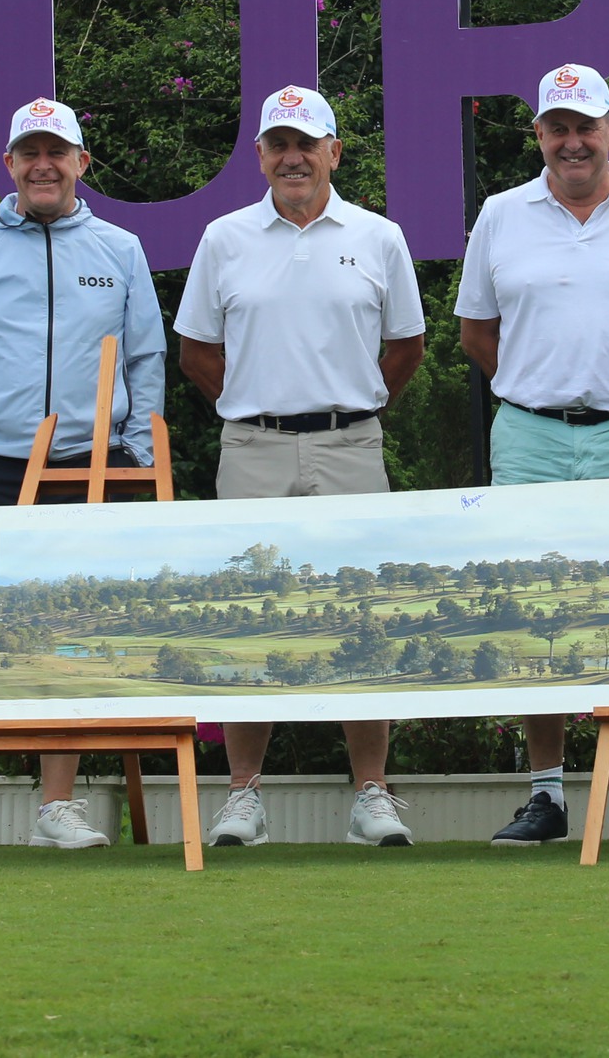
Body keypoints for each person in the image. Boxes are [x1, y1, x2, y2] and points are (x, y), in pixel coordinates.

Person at [456, 62, 609, 848]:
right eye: (556, 127)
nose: (572, 141)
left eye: (584, 126)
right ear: (539, 135)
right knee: (538, 607)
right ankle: (546, 793)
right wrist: (544, 388)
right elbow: (477, 332)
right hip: (529, 430)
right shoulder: (501, 214)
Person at [0, 98, 163, 852]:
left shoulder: (120, 247)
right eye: (29, 152)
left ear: (82, 162)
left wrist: (139, 454)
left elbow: (145, 355)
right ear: (11, 163)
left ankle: (58, 805)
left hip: (92, 462)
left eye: (58, 152)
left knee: (72, 629)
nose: (43, 164)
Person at [175, 85, 426, 848]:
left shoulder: (380, 236)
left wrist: (348, 410)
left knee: (364, 614)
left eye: (306, 143)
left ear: (334, 152)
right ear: (259, 156)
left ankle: (372, 792)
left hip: (351, 444)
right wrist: (259, 408)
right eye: (278, 144)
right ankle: (244, 796)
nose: (293, 157)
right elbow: (195, 350)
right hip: (252, 448)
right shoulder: (223, 238)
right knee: (250, 613)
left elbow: (408, 346)